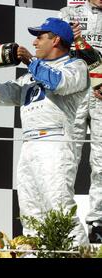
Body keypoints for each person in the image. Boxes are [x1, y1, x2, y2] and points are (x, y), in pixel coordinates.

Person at [0, 17, 90, 246]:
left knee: (60, 208)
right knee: (31, 213)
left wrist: (29, 61)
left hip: (55, 143)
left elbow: (58, 83)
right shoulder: (29, 76)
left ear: (56, 40)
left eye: (40, 36)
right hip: (30, 145)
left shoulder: (76, 67)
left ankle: (79, 254)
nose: (34, 42)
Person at [59, 0, 102, 244]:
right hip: (74, 93)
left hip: (101, 94)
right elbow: (52, 48)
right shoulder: (69, 12)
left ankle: (98, 223)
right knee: (66, 158)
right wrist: (66, 35)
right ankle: (62, 221)